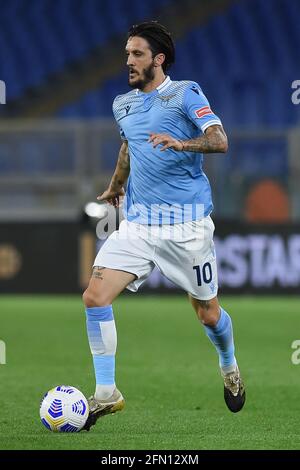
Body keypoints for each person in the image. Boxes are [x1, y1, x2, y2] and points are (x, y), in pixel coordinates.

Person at [82, 21, 245, 431]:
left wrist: (181, 143)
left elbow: (220, 140)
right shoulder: (123, 103)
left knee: (208, 315)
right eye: (126, 55)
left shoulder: (185, 93)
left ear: (158, 59)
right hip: (138, 225)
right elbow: (128, 146)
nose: (128, 62)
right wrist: (115, 185)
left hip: (186, 228)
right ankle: (106, 394)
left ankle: (228, 365)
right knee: (95, 296)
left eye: (136, 54)